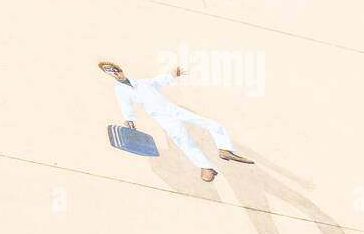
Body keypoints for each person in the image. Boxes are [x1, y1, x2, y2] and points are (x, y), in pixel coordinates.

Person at [98, 60, 252, 182]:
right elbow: (125, 104)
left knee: (212, 124)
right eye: (109, 72)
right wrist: (129, 119)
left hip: (172, 109)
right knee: (182, 140)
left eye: (114, 70)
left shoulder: (143, 82)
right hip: (160, 116)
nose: (114, 73)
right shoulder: (120, 90)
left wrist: (173, 75)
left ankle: (225, 150)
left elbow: (159, 81)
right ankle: (206, 167)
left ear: (120, 70)